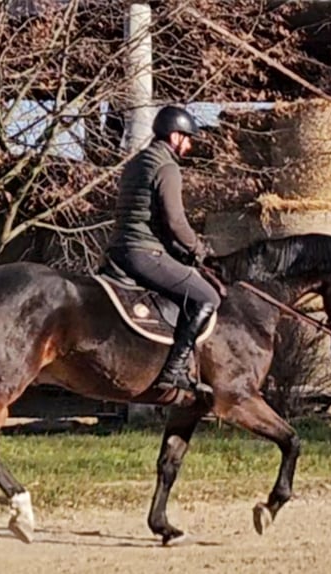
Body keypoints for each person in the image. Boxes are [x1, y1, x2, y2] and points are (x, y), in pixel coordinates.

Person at [103, 105, 221, 396]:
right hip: (144, 253)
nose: (190, 145)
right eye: (188, 138)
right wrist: (196, 248)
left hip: (118, 250)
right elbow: (175, 221)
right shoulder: (166, 167)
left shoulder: (136, 162)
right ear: (175, 136)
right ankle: (174, 371)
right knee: (208, 296)